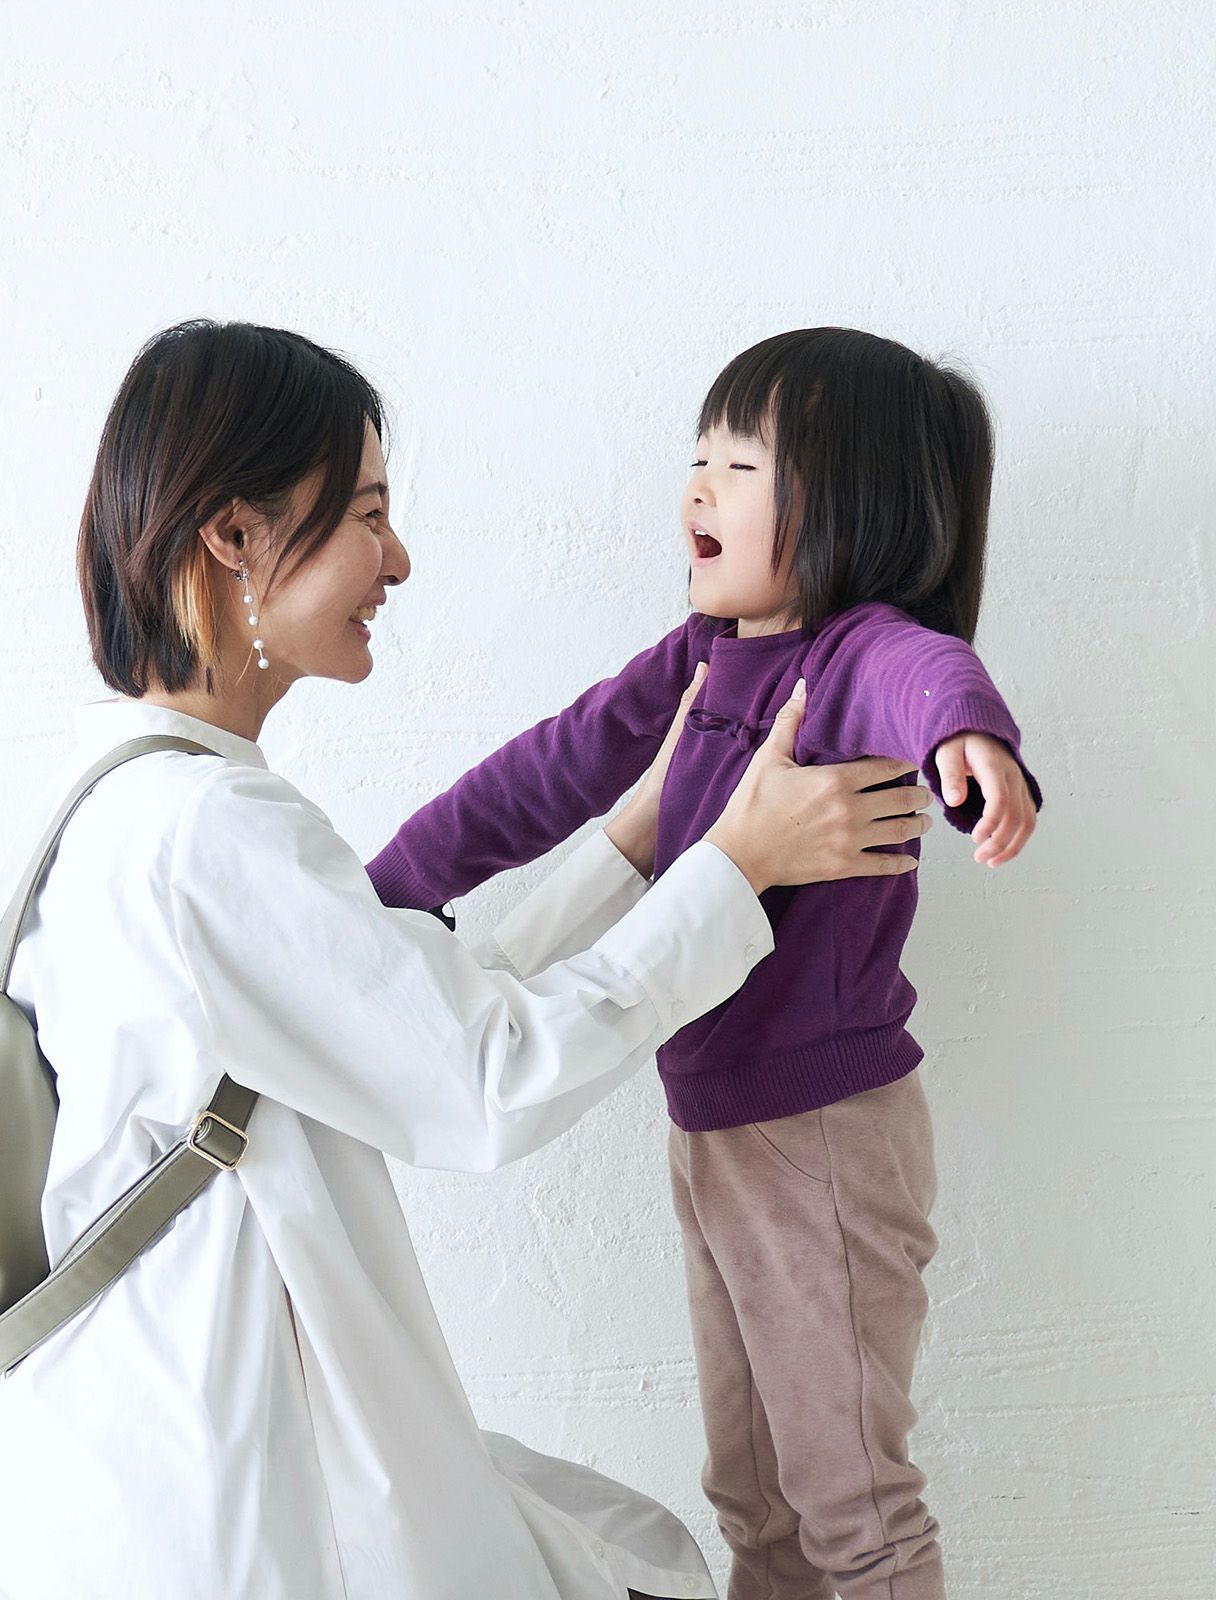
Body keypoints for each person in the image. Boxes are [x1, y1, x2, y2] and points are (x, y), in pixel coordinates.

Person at [0, 319, 935, 1600]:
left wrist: (636, 842)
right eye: (367, 513)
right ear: (235, 534)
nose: (398, 559)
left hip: (140, 1458)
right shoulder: (206, 833)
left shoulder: (128, 799)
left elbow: (399, 999)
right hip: (218, 1486)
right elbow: (485, 1079)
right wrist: (733, 867)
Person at [366, 328, 1044, 1600]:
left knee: (856, 1509)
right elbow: (545, 770)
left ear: (848, 509)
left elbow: (926, 672)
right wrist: (383, 892)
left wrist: (969, 738)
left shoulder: (853, 656)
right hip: (714, 1127)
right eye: (698, 456)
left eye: (739, 463)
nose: (696, 487)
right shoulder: (699, 660)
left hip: (822, 1140)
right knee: (754, 1496)